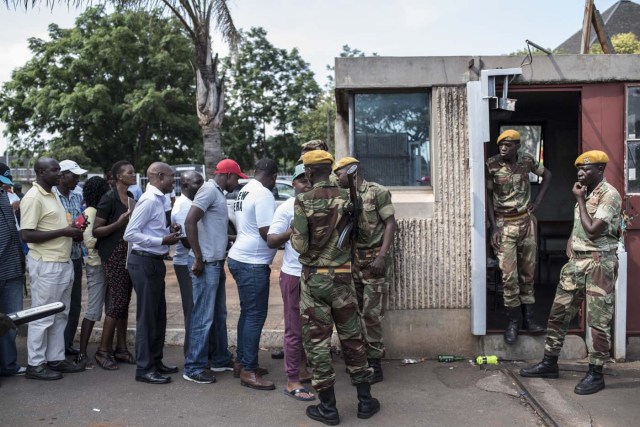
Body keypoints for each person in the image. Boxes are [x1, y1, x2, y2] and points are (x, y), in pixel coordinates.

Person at [520, 150, 621, 396]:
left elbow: (594, 230)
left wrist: (579, 200)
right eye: (579, 169)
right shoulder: (584, 192)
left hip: (599, 265)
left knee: (598, 323)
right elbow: (580, 227)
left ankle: (596, 373)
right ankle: (549, 363)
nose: (580, 173)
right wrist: (571, 241)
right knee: (558, 314)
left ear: (600, 170)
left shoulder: (610, 195)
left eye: (586, 169)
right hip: (576, 263)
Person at [291, 150, 379, 425]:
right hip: (342, 280)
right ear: (329, 169)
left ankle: (328, 408)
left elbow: (300, 245)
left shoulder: (303, 200)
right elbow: (365, 236)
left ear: (308, 172)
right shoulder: (348, 198)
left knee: (317, 342)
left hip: (314, 280)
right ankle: (365, 402)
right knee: (352, 338)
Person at [20, 157, 86, 380]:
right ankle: (35, 364)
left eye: (59, 169)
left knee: (60, 314)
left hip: (63, 261)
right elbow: (26, 234)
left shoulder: (53, 194)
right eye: (54, 169)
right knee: (43, 316)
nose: (59, 173)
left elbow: (57, 225)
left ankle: (55, 358)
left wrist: (73, 231)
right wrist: (63, 232)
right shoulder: (33, 197)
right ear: (40, 172)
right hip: (46, 264)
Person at [334, 156, 397, 384]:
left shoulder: (377, 191)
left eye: (338, 172)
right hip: (353, 262)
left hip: (374, 262)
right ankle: (359, 360)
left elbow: (390, 223)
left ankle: (375, 362)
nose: (335, 176)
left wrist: (382, 256)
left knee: (371, 314)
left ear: (351, 171)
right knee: (353, 312)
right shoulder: (342, 197)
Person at [486, 129, 552, 344]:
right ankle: (513, 322)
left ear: (517, 146)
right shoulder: (492, 165)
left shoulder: (527, 161)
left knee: (528, 274)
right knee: (509, 276)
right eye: (501, 145)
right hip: (504, 224)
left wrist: (539, 201)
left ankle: (529, 320)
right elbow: (487, 196)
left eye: (508, 144)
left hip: (526, 222)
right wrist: (493, 228)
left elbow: (548, 175)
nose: (503, 148)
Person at [183, 159, 245, 384]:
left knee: (218, 315)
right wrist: (198, 257)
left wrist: (235, 238)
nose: (237, 183)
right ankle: (193, 367)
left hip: (215, 262)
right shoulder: (209, 190)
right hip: (206, 263)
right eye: (236, 178)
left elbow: (212, 229)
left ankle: (219, 358)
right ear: (227, 175)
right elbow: (190, 222)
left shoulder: (217, 193)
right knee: (203, 316)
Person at [124, 162, 182, 384]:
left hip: (154, 261)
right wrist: (160, 240)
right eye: (171, 177)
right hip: (144, 261)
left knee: (158, 316)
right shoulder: (148, 201)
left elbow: (151, 229)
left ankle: (155, 362)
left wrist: (168, 232)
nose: (173, 181)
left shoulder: (159, 200)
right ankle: (144, 368)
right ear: (159, 176)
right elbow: (130, 234)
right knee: (147, 318)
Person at [227, 158, 278, 391]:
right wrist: (291, 232)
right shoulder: (264, 194)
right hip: (252, 262)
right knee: (255, 315)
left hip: (240, 256)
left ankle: (242, 362)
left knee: (248, 313)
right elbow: (267, 232)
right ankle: (248, 370)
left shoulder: (245, 190)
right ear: (274, 176)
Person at [267, 163, 314, 401]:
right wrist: (292, 231)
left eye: (310, 179)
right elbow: (272, 239)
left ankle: (303, 370)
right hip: (294, 275)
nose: (307, 184)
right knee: (294, 329)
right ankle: (292, 380)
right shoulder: (286, 208)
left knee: (312, 328)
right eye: (302, 180)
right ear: (293, 184)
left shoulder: (320, 204)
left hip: (316, 275)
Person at [93, 161, 137, 371]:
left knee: (124, 303)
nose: (133, 174)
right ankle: (102, 351)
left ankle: (121, 348)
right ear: (119, 176)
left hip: (128, 255)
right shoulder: (109, 198)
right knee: (117, 302)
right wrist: (118, 224)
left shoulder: (131, 199)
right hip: (113, 254)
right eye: (130, 172)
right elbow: (96, 231)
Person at [76, 176, 111, 368]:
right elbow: (89, 242)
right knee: (94, 309)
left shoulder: (95, 211)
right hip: (96, 265)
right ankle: (82, 353)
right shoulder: (90, 213)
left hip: (102, 263)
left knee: (109, 308)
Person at [54, 159, 88, 357]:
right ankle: (55, 349)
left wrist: (81, 230)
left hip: (75, 256)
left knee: (74, 304)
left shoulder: (77, 196)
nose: (77, 179)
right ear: (62, 175)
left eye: (78, 176)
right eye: (73, 175)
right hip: (57, 257)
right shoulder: (51, 197)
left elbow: (79, 221)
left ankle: (67, 344)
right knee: (57, 305)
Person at [171, 171, 205, 357]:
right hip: (186, 262)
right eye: (197, 183)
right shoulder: (184, 205)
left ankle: (197, 352)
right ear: (185, 185)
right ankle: (192, 355)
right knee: (192, 310)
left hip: (189, 261)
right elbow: (186, 240)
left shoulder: (188, 202)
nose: (201, 187)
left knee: (195, 308)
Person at [0, 163, 26, 379]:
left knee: (10, 321)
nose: (5, 187)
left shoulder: (5, 197)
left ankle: (9, 365)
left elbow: (14, 235)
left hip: (13, 270)